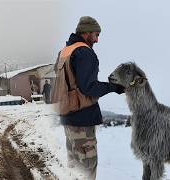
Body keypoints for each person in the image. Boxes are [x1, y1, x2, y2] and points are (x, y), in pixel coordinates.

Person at [57, 16, 124, 180]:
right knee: (86, 169)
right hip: (82, 119)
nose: (97, 39)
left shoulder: (65, 52)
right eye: (96, 34)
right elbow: (89, 88)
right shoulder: (84, 53)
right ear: (86, 32)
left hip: (68, 117)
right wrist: (114, 87)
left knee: (74, 169)